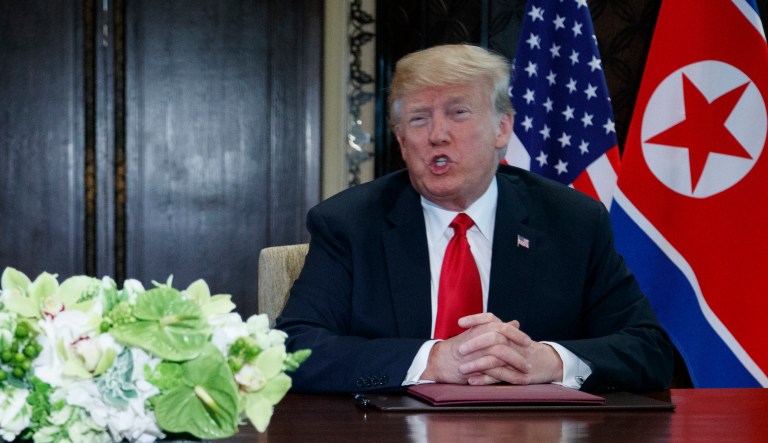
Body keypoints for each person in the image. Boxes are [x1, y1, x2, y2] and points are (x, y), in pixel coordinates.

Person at [276, 44, 674, 394]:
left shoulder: (573, 222)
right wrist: (431, 361)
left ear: (502, 128)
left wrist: (549, 361)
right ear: (401, 140)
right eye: (418, 119)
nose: (437, 134)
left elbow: (650, 350)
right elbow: (292, 348)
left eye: (458, 113)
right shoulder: (349, 223)